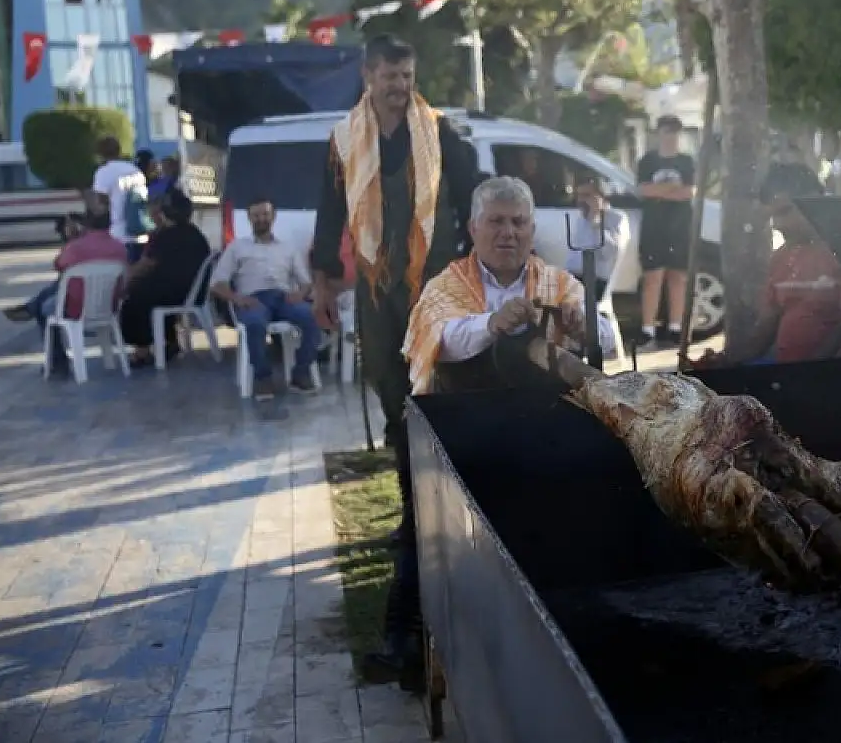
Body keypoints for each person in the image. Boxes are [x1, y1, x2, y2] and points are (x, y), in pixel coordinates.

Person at [309, 34, 480, 673]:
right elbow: (330, 218)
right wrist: (325, 283)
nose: (398, 86)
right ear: (367, 74)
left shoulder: (443, 135)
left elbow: (476, 197)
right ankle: (413, 506)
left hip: (435, 296)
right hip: (378, 302)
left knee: (434, 401)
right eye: (388, 74)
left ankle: (422, 514)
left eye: (407, 75)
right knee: (393, 403)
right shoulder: (341, 141)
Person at [404, 176, 616, 394]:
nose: (508, 232)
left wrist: (584, 327)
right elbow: (438, 340)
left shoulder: (558, 283)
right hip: (467, 412)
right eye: (496, 221)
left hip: (548, 410)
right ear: (473, 229)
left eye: (518, 222)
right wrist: (491, 323)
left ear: (531, 232)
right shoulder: (447, 285)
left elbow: (607, 337)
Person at [691, 163, 841, 368]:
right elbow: (765, 328)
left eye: (785, 212)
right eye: (772, 216)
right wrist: (725, 361)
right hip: (784, 371)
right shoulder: (781, 258)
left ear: (814, 201)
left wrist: (811, 374)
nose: (778, 224)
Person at [211, 198, 321, 400]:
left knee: (313, 318)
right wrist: (236, 298)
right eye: (256, 215)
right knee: (254, 324)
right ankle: (263, 378)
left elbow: (306, 282)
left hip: (283, 298)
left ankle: (301, 373)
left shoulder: (287, 248)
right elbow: (217, 284)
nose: (261, 219)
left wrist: (301, 293)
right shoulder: (237, 247)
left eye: (265, 214)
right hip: (254, 300)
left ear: (273, 216)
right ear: (249, 218)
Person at [30, 203, 127, 375]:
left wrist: (71, 239)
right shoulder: (119, 247)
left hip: (75, 308)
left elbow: (59, 265)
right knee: (53, 292)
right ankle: (32, 306)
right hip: (109, 307)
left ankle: (57, 362)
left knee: (45, 306)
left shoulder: (76, 248)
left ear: (86, 224)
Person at [120, 189, 212, 367]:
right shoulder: (196, 234)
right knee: (151, 293)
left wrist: (126, 280)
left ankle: (142, 350)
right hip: (194, 292)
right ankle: (170, 342)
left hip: (174, 293)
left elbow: (146, 265)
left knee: (135, 299)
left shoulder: (165, 236)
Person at [636, 115, 695, 349]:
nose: (670, 135)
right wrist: (670, 190)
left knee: (678, 277)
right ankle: (648, 329)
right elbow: (644, 189)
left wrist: (660, 192)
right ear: (658, 133)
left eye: (674, 131)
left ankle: (675, 327)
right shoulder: (647, 161)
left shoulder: (686, 161)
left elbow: (688, 192)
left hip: (680, 226)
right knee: (653, 277)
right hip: (654, 226)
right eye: (666, 130)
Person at [563, 172, 629, 302]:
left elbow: (608, 252)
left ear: (601, 197)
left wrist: (596, 221)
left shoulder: (617, 218)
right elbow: (574, 257)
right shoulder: (581, 218)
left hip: (597, 281)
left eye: (587, 196)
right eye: (579, 196)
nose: (581, 200)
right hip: (575, 277)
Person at [91, 136, 151, 263]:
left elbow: (101, 201)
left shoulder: (104, 172)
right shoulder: (134, 170)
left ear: (101, 154)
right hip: (142, 231)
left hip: (120, 234)